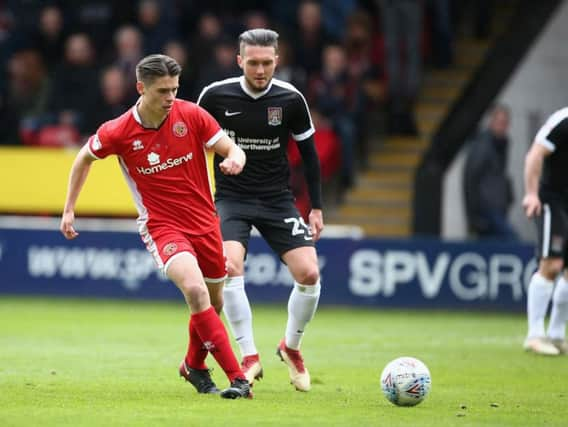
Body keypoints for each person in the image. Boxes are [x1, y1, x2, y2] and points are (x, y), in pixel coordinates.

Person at [59, 54, 252, 398]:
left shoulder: (190, 114)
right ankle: (238, 379)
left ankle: (193, 365)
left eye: (174, 89)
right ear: (140, 88)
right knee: (194, 290)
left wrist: (236, 158)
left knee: (213, 302)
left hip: (205, 223)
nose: (170, 98)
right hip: (163, 226)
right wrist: (69, 208)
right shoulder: (118, 131)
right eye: (163, 90)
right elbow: (83, 158)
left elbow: (231, 148)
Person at [197, 29, 323, 392]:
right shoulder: (215, 95)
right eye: (253, 62)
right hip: (231, 199)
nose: (260, 70)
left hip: (277, 200)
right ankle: (249, 356)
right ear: (239, 61)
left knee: (310, 274)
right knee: (228, 266)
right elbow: (190, 145)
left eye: (267, 63)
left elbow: (310, 156)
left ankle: (291, 347)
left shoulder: (291, 99)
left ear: (277, 61)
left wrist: (316, 207)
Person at [522, 107, 568, 356]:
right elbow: (535, 154)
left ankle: (557, 335)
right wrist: (531, 193)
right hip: (552, 200)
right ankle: (535, 335)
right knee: (551, 265)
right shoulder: (563, 120)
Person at [463, 104, 517, 239]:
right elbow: (470, 180)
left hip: (497, 210)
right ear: (491, 122)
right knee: (513, 242)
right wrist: (473, 216)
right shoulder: (483, 147)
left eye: (505, 123)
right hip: (486, 211)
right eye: (499, 122)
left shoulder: (501, 145)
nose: (502, 126)